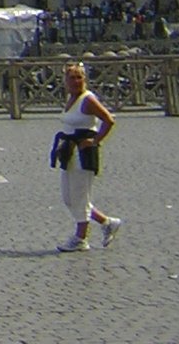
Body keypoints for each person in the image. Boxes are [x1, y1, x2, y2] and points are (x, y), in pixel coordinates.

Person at [51, 62, 121, 252]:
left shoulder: (88, 99)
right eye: (72, 77)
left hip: (83, 153)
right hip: (69, 152)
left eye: (79, 77)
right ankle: (107, 222)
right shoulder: (70, 98)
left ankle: (81, 238)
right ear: (65, 80)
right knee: (68, 197)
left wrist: (96, 140)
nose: (76, 81)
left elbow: (109, 120)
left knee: (80, 195)